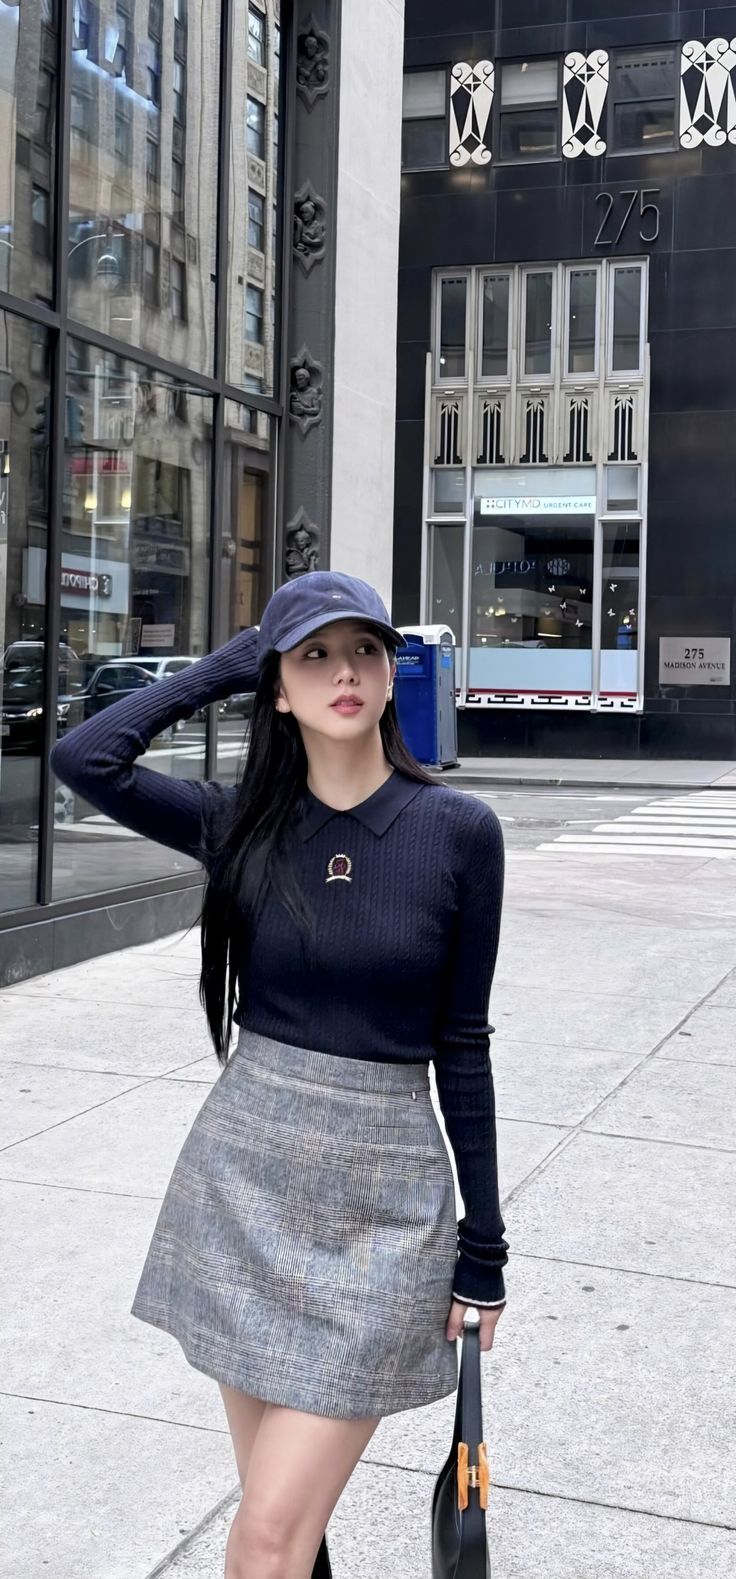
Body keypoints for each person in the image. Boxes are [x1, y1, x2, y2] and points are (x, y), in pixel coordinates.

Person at [49, 570, 508, 1579]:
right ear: (280, 688)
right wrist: (231, 661)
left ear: (392, 677)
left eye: (365, 651)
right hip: (243, 1182)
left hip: (383, 1204)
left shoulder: (458, 833)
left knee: (263, 1537)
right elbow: (85, 755)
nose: (345, 671)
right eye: (314, 655)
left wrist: (484, 1247)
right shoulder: (239, 823)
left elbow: (462, 1046)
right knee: (284, 1528)